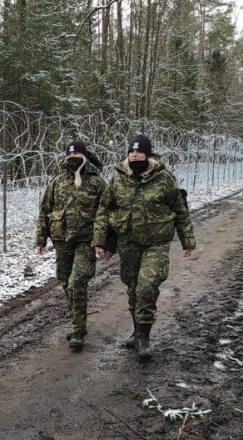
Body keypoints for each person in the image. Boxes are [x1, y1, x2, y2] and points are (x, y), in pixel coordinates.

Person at [92, 134, 195, 359]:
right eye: (131, 151)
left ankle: (144, 337)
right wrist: (100, 239)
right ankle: (137, 331)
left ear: (148, 154)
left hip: (156, 243)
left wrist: (187, 239)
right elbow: (104, 210)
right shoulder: (118, 179)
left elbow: (180, 210)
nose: (134, 155)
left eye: (139, 151)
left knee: (147, 285)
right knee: (133, 289)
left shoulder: (164, 178)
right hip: (127, 243)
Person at [36, 140, 106, 351]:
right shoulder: (57, 182)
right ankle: (80, 322)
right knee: (66, 283)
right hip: (61, 240)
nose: (73, 159)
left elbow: (106, 214)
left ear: (85, 157)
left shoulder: (97, 183)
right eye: (69, 156)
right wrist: (41, 238)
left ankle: (77, 331)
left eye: (77, 156)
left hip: (86, 241)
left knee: (77, 282)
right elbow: (45, 210)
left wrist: (101, 240)